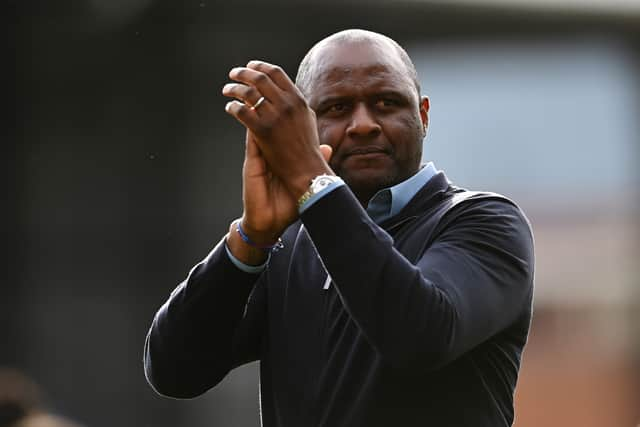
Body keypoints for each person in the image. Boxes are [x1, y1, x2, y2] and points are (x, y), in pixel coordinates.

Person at [143, 29, 535, 427]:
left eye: (387, 103)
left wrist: (312, 181)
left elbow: (420, 336)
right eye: (336, 108)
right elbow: (175, 371)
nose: (363, 124)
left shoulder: (484, 222)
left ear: (423, 115)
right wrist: (250, 239)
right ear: (306, 130)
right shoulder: (288, 246)